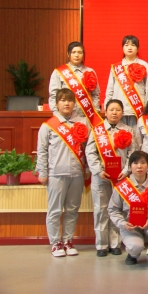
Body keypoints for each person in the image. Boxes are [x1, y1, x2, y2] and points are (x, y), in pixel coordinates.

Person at [36, 88, 91, 257]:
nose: (66, 103)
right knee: (55, 210)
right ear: (57, 103)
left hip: (76, 173)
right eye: (63, 100)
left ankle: (68, 240)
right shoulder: (48, 126)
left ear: (74, 103)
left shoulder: (83, 123)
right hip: (56, 174)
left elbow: (89, 149)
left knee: (72, 210)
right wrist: (42, 172)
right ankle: (55, 243)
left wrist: (87, 169)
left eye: (70, 100)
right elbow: (42, 151)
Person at [85, 99, 138, 257]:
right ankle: (101, 244)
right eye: (111, 110)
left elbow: (133, 153)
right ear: (105, 112)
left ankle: (116, 243)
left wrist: (126, 171)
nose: (114, 113)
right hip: (101, 177)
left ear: (122, 113)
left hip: (121, 178)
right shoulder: (97, 130)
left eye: (118, 110)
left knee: (118, 210)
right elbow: (90, 152)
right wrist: (98, 170)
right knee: (101, 210)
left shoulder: (128, 130)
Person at [108, 151, 148, 268]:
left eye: (143, 163)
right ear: (130, 167)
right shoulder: (123, 186)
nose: (139, 166)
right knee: (135, 247)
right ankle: (132, 254)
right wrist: (123, 223)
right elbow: (113, 210)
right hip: (130, 226)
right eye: (135, 163)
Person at [104, 35, 148, 128]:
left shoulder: (144, 65)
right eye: (126, 45)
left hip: (137, 110)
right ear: (122, 48)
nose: (130, 47)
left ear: (137, 48)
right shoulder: (116, 67)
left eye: (133, 45)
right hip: (118, 110)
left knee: (136, 136)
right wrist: (107, 108)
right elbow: (110, 89)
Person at [48, 41, 101, 123]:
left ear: (83, 54)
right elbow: (53, 95)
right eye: (73, 52)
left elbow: (95, 94)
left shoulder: (90, 71)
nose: (77, 55)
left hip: (86, 116)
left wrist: (95, 112)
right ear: (68, 54)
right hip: (65, 117)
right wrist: (56, 113)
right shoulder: (59, 72)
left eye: (80, 52)